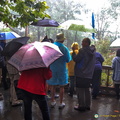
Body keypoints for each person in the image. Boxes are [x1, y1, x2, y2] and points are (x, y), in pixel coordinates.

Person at [47, 33, 71, 109]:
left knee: (53, 86)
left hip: (52, 69)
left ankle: (52, 101)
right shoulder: (64, 49)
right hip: (61, 69)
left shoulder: (51, 47)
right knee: (61, 87)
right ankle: (60, 103)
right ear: (62, 40)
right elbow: (68, 59)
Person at [72, 38, 95, 111]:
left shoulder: (82, 51)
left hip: (81, 73)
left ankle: (81, 105)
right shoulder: (93, 51)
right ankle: (87, 105)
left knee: (80, 90)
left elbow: (76, 59)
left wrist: (73, 52)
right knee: (87, 89)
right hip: (89, 74)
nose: (81, 43)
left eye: (83, 42)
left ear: (87, 43)